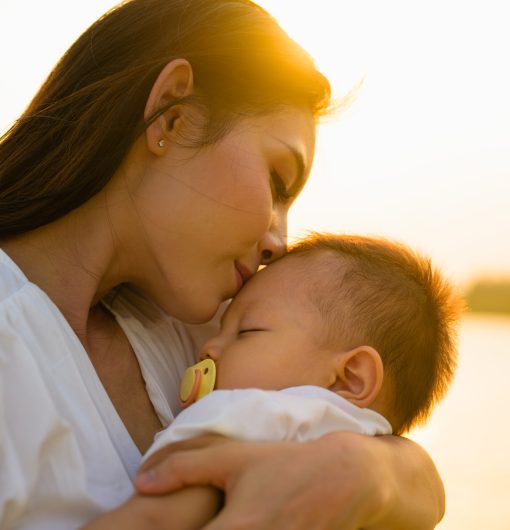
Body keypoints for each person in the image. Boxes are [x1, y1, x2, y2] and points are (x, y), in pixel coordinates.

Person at [0, 0, 446, 529]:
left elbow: (388, 442)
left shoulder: (198, 330)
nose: (279, 242)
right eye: (279, 182)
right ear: (172, 114)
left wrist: (365, 471)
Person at [115, 233, 461, 529]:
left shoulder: (250, 413)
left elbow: (154, 517)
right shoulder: (376, 456)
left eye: (247, 331)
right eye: (222, 328)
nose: (209, 346)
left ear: (351, 376)